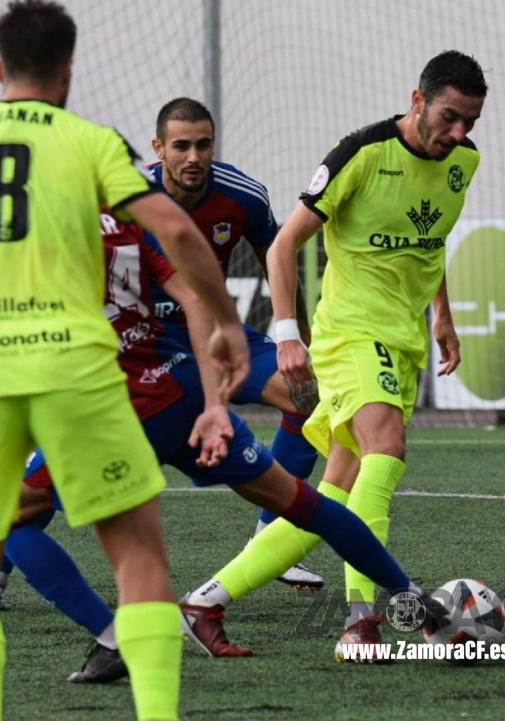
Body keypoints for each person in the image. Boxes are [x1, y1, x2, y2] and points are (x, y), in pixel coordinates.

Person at [0, 2, 249, 720]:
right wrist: (227, 321)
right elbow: (175, 231)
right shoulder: (92, 143)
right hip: (80, 373)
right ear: (69, 72)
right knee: (138, 556)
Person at [2, 214, 448, 679]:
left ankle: (115, 639)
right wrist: (216, 400)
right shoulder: (129, 225)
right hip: (187, 394)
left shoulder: (40, 237)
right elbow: (194, 298)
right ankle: (411, 596)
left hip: (119, 411)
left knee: (9, 515)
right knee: (304, 502)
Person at [210, 49, 486, 659]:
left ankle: (207, 601)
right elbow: (283, 247)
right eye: (449, 116)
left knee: (334, 490)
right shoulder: (361, 153)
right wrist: (286, 334)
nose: (458, 132)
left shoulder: (465, 162)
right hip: (352, 334)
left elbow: (430, 242)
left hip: (403, 339)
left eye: (470, 121)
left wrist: (442, 313)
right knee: (386, 449)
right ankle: (363, 620)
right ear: (418, 101)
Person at [148, 98, 323, 589]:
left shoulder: (242, 195)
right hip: (143, 346)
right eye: (180, 146)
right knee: (64, 447)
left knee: (307, 395)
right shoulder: (127, 194)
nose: (193, 157)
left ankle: (272, 543)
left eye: (203, 145)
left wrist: (299, 338)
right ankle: (2, 567)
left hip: (215, 340)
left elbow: (279, 260)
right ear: (158, 148)